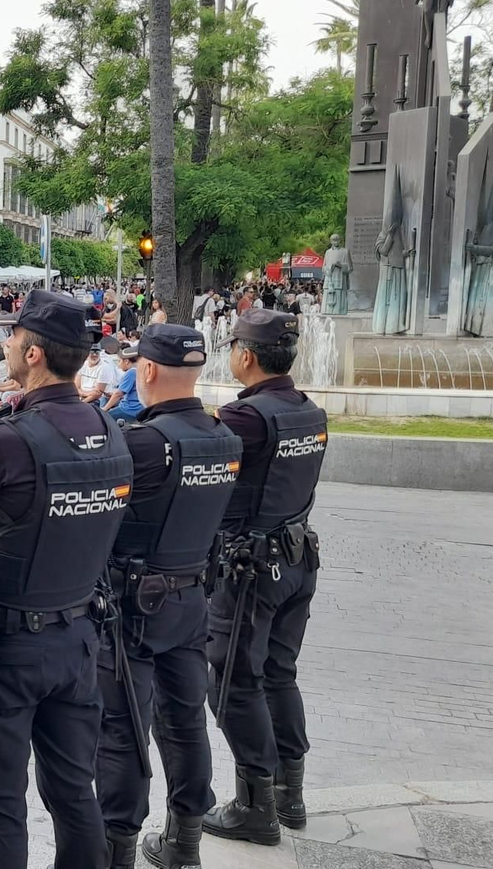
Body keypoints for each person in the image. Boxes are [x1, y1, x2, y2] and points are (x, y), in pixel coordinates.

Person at [0, 289, 131, 868]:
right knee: (73, 792)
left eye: (16, 336)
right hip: (79, 638)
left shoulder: (5, 438)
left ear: (35, 354)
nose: (9, 342)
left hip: (9, 647)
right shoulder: (110, 429)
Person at [95, 325, 243, 868]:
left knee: (124, 731)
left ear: (148, 370)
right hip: (191, 601)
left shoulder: (141, 442)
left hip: (131, 608)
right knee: (185, 723)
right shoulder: (225, 437)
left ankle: (118, 848)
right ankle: (184, 842)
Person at [203, 309, 327, 849]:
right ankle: (289, 794)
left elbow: (200, 461)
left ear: (245, 356)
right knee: (279, 672)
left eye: (232, 346)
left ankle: (255, 806)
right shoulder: (309, 411)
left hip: (252, 568)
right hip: (298, 559)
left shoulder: (247, 418)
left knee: (231, 679)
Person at [102, 345, 145, 423]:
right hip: (140, 407)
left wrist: (104, 409)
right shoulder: (141, 370)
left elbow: (118, 394)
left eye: (119, 361)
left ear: (126, 361)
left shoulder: (131, 372)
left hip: (130, 409)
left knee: (104, 419)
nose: (118, 364)